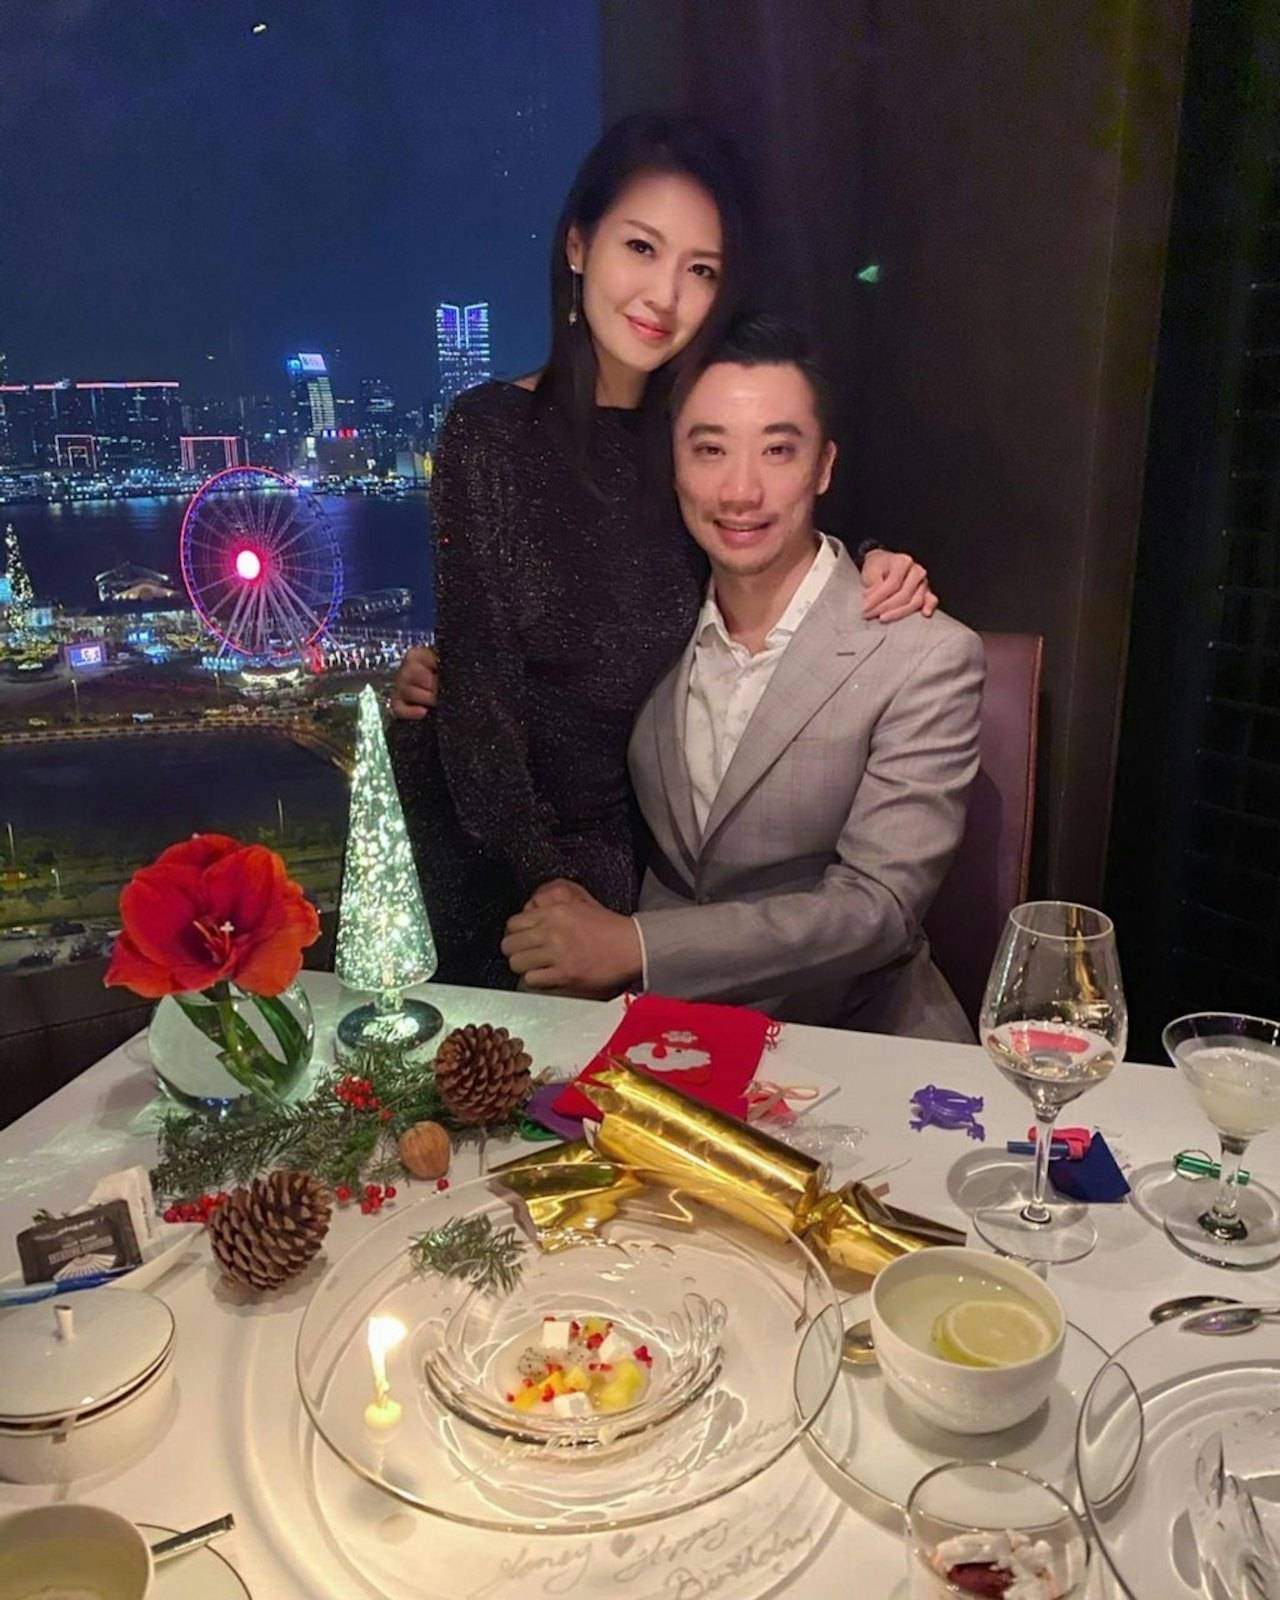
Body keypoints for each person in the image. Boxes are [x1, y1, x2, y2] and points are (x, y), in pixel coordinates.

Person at [390, 115, 936, 989]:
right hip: (496, 850)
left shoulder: (695, 437)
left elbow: (773, 530)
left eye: (701, 270)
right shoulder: (488, 434)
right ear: (578, 245)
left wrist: (875, 558)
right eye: (641, 248)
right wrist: (554, 889)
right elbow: (481, 703)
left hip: (642, 870)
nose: (664, 296)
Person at [501, 316, 982, 1041]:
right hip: (663, 1034)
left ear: (823, 466)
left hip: (853, 1031)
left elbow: (877, 908)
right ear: (673, 464)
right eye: (710, 449)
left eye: (778, 451)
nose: (741, 491)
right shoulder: (645, 628)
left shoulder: (924, 655)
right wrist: (445, 678)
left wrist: (636, 946)